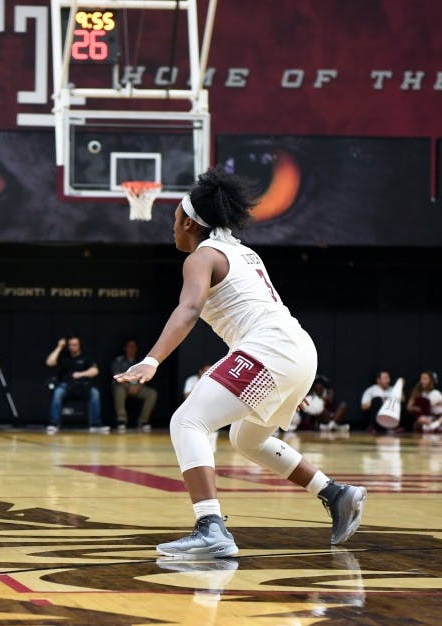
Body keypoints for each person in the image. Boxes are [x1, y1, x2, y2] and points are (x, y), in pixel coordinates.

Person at [114, 166, 366, 560]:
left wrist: (151, 359)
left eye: (174, 219)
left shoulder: (202, 256)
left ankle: (210, 527)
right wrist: (289, 379)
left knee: (187, 421)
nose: (172, 227)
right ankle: (335, 493)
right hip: (297, 350)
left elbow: (189, 309)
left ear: (189, 222)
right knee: (247, 439)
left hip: (272, 348)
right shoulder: (245, 253)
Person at [44, 336, 109, 434]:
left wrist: (80, 374)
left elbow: (95, 371)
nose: (72, 347)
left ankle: (95, 425)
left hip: (83, 386)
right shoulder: (63, 356)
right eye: (70, 345)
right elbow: (49, 362)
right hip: (66, 385)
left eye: (75, 345)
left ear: (79, 345)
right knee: (57, 393)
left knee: (95, 393)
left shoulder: (86, 356)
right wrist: (59, 347)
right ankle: (54, 424)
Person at [110, 337, 158, 432]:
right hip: (124, 387)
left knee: (152, 393)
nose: (131, 349)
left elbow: (146, 375)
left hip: (138, 387)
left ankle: (143, 421)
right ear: (125, 348)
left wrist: (138, 387)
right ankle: (121, 420)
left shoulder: (141, 361)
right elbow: (117, 376)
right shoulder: (119, 360)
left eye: (133, 347)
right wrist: (128, 387)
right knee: (118, 390)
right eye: (129, 346)